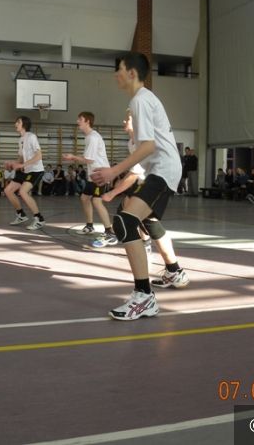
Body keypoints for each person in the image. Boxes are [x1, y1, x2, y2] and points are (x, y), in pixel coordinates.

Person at [90, 52, 183, 321]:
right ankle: (172, 272)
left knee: (125, 222)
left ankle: (144, 296)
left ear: (131, 73)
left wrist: (112, 171)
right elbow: (146, 149)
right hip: (161, 170)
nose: (116, 75)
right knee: (143, 222)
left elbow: (148, 147)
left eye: (119, 69)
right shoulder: (143, 99)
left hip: (164, 170)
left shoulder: (140, 99)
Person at [63, 112, 117, 246]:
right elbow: (90, 159)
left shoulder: (92, 137)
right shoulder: (89, 137)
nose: (77, 121)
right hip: (93, 175)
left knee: (97, 201)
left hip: (100, 175)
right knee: (84, 198)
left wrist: (73, 157)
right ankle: (89, 226)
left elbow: (89, 159)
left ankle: (110, 232)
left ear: (87, 121)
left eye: (80, 119)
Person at [4, 116, 46, 230]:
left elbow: (39, 155)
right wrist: (12, 164)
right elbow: (21, 158)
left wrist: (22, 165)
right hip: (26, 170)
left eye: (18, 122)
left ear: (24, 124)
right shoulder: (21, 139)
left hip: (35, 170)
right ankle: (21, 215)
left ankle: (39, 219)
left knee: (23, 192)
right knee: (8, 190)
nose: (15, 124)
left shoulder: (31, 137)